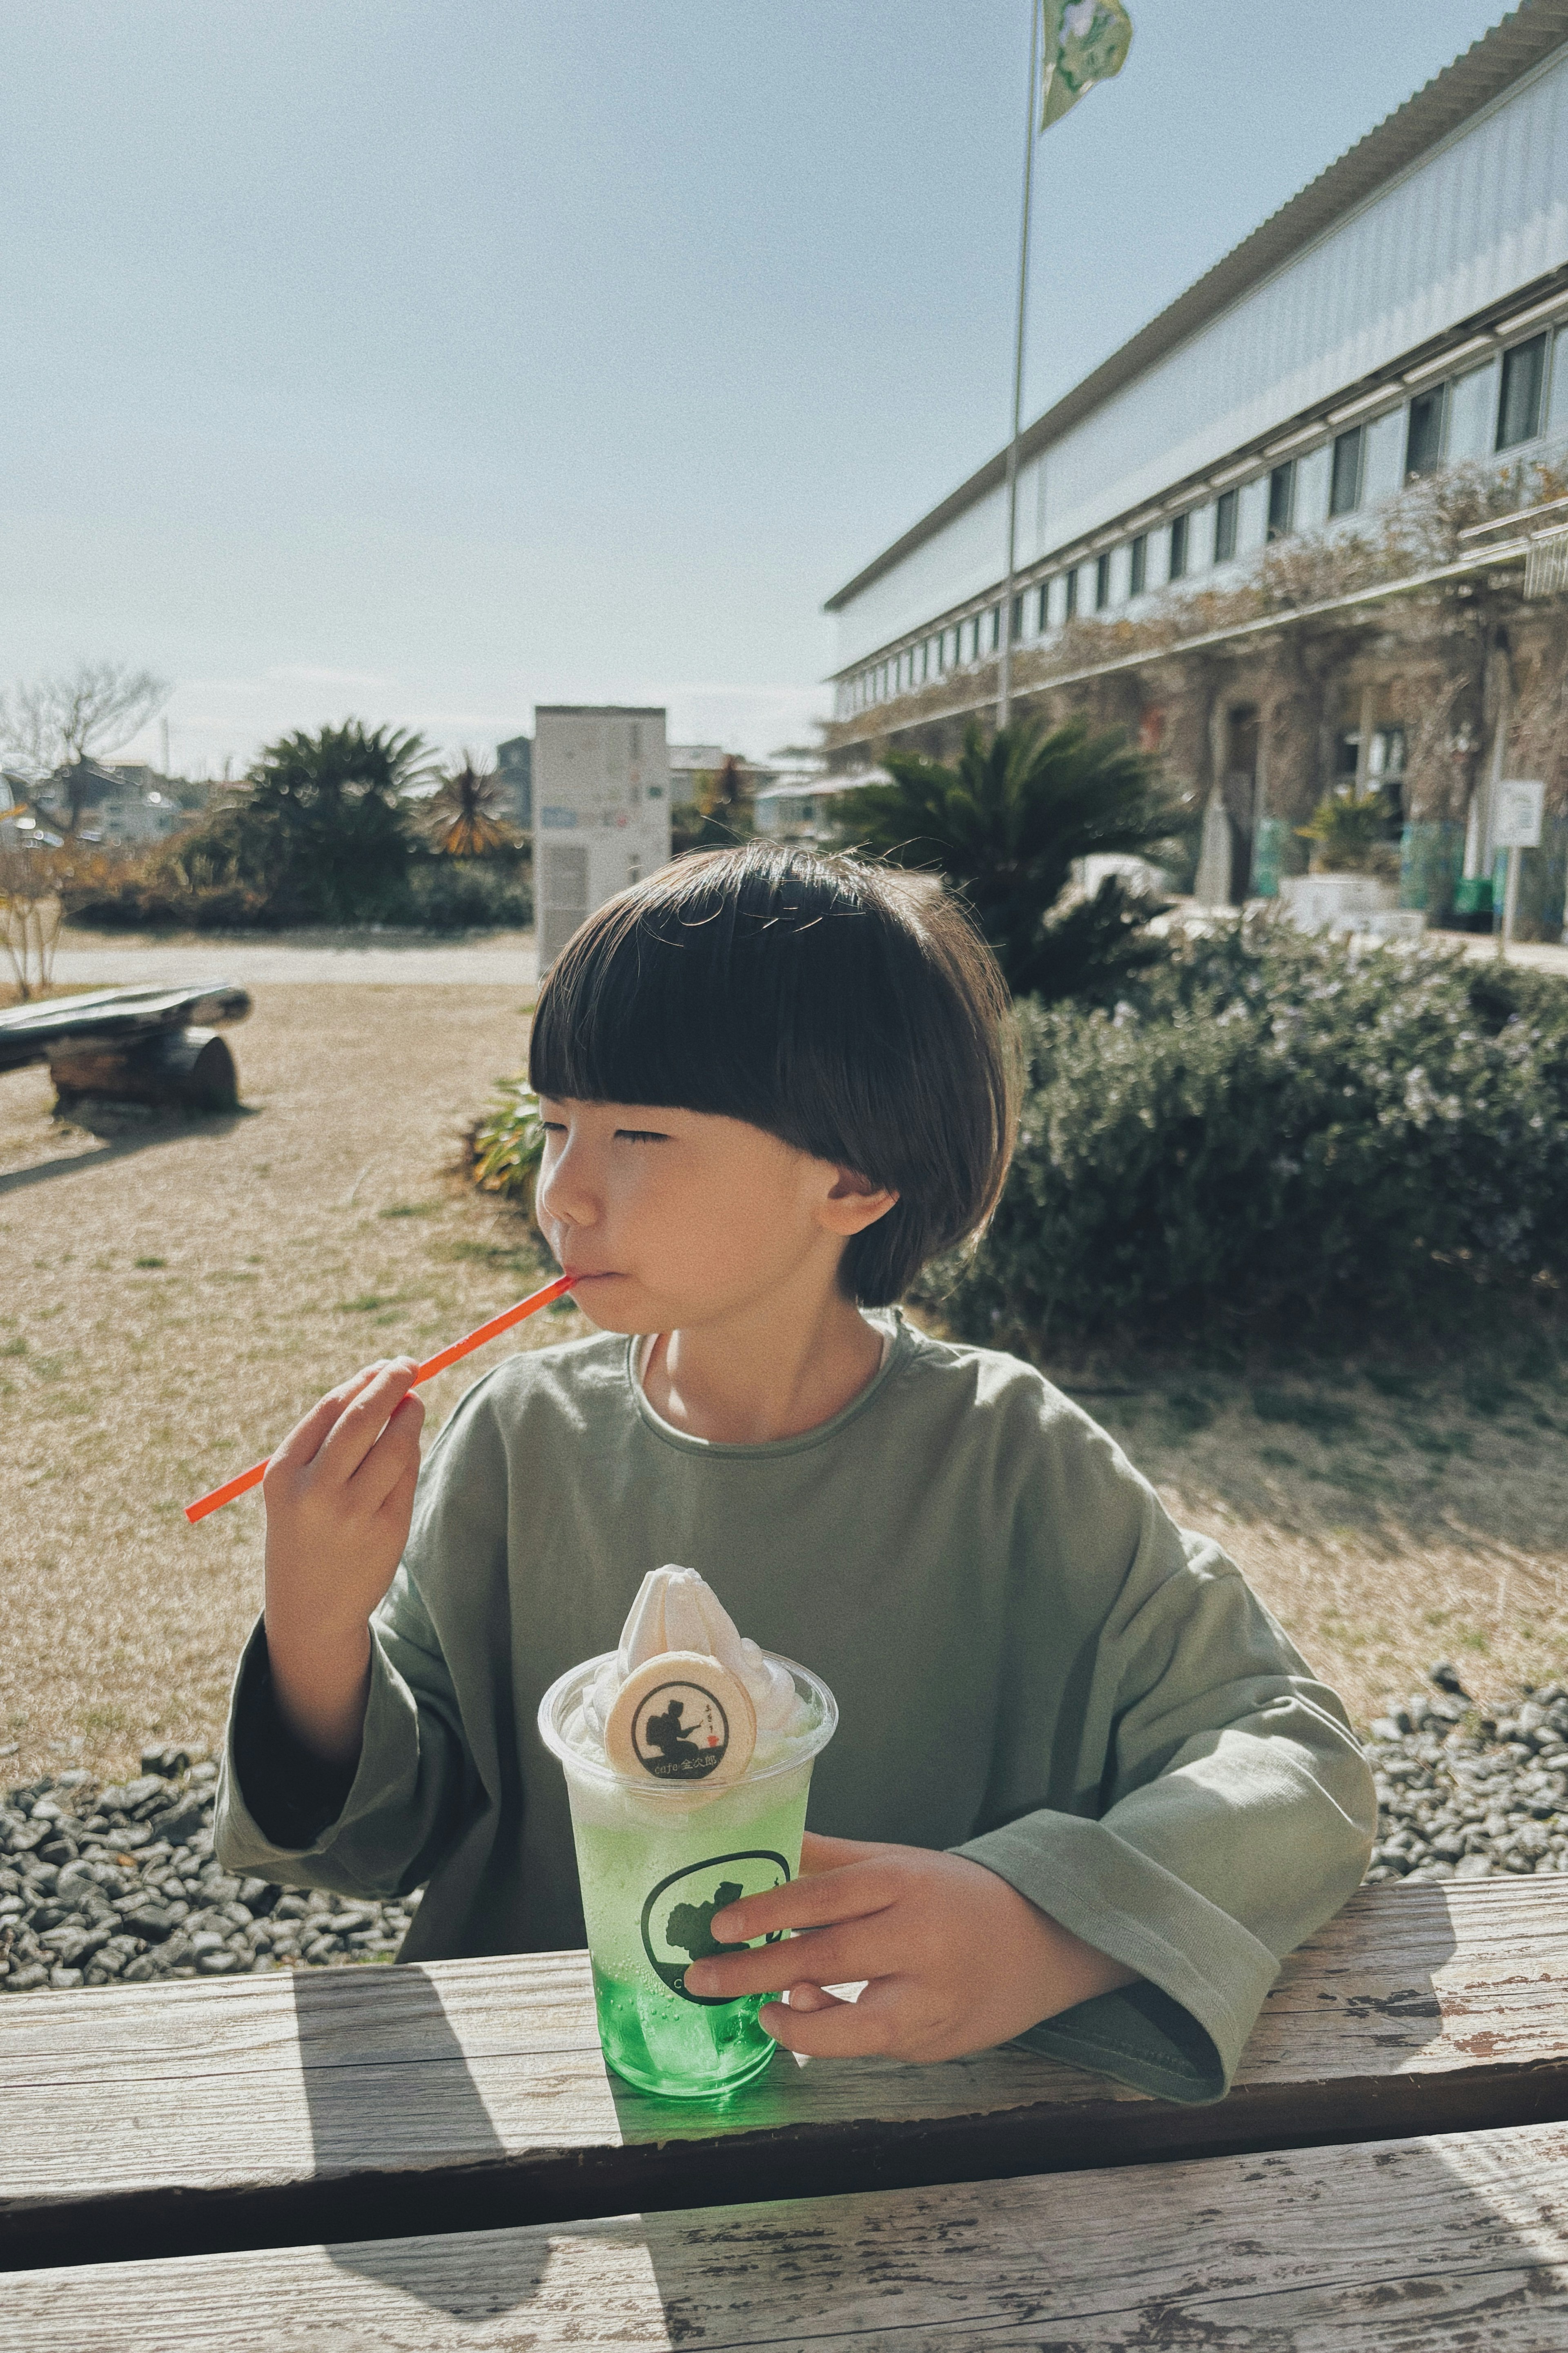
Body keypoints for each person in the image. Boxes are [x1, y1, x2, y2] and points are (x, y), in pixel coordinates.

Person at [215, 844, 1375, 2102]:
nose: (568, 1193)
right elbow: (391, 1831)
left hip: (920, 2159)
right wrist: (317, 1626)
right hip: (557, 2121)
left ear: (857, 1174)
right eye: (555, 1124)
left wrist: (1041, 1926)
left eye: (640, 1132)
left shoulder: (1008, 1458)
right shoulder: (518, 1438)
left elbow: (1294, 1754)